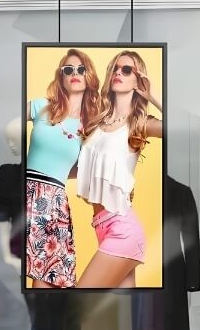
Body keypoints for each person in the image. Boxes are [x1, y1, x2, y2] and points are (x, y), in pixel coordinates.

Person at [76, 50, 162, 288]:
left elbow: (181, 127)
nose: (118, 73)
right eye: (115, 68)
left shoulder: (139, 124)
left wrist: (153, 96)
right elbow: (82, 168)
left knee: (75, 307)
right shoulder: (96, 123)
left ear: (138, 80)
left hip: (122, 230)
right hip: (101, 227)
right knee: (123, 320)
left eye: (127, 70)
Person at [25, 49, 101, 288]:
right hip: (24, 192)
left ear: (90, 77)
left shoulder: (90, 126)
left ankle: (45, 327)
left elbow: (81, 169)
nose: (75, 73)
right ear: (61, 77)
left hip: (55, 202)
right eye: (68, 69)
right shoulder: (41, 106)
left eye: (81, 69)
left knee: (50, 282)